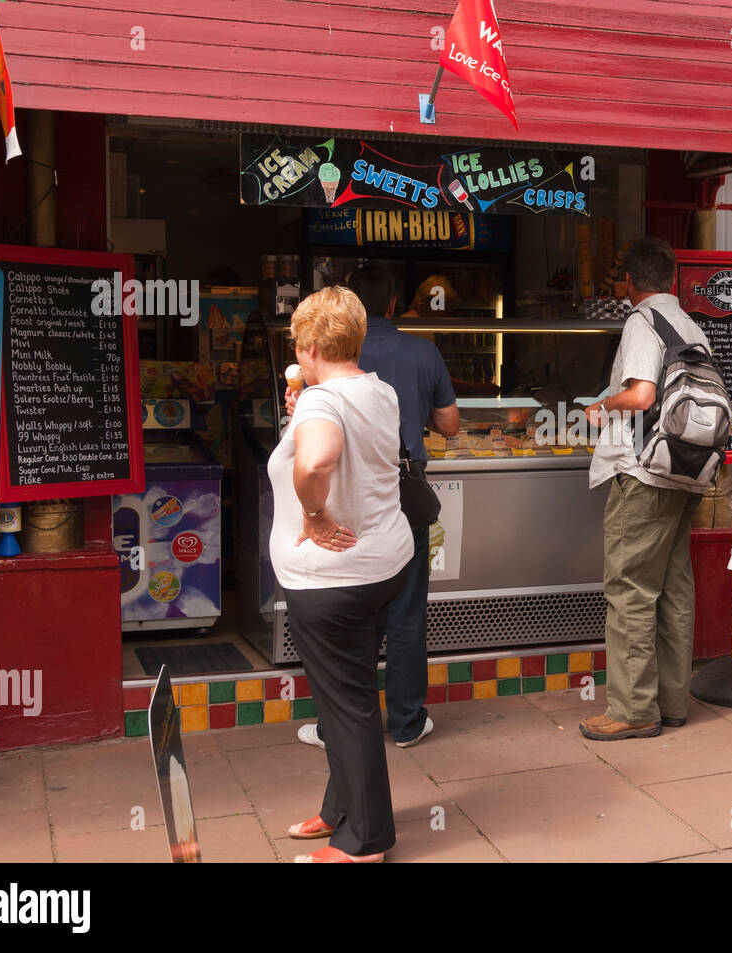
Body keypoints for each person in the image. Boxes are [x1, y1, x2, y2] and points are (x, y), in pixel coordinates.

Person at [269, 286, 413, 862]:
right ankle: (340, 810)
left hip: (333, 580)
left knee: (346, 704)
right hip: (384, 565)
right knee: (342, 696)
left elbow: (318, 461)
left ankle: (364, 842)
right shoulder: (377, 390)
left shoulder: (321, 403)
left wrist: (314, 514)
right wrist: (302, 414)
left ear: (307, 345)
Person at [291, 267, 460, 751]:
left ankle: (338, 728)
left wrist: (315, 514)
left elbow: (317, 453)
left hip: (343, 503)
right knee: (406, 614)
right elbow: (450, 425)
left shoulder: (336, 369)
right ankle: (407, 724)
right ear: (389, 306)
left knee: (349, 617)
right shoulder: (421, 352)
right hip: (400, 498)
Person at [579, 236, 709, 740]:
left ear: (629, 283)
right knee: (673, 588)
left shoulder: (643, 321)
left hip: (643, 472)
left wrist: (601, 406)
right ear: (672, 279)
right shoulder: (691, 326)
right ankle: (672, 702)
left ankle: (633, 710)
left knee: (630, 588)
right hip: (685, 472)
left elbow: (642, 394)